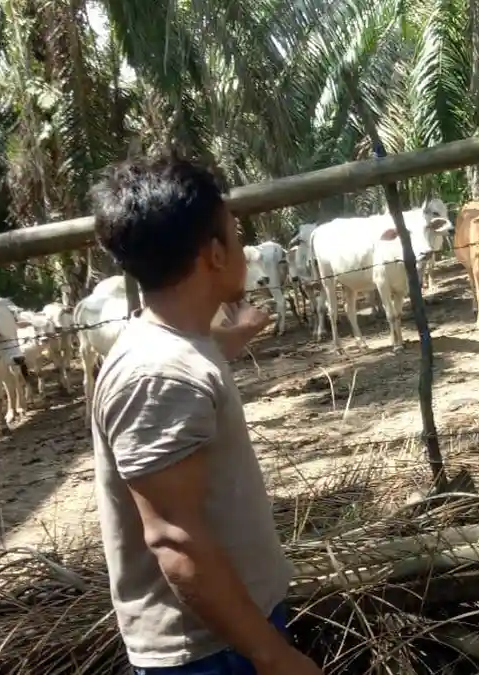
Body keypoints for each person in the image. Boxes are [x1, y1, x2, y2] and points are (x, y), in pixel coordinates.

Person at [88, 154, 324, 675]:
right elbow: (174, 538)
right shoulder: (161, 377)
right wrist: (272, 655)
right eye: (237, 239)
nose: (242, 251)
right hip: (207, 651)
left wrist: (234, 336)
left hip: (231, 625)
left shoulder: (174, 343)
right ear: (215, 254)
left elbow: (194, 356)